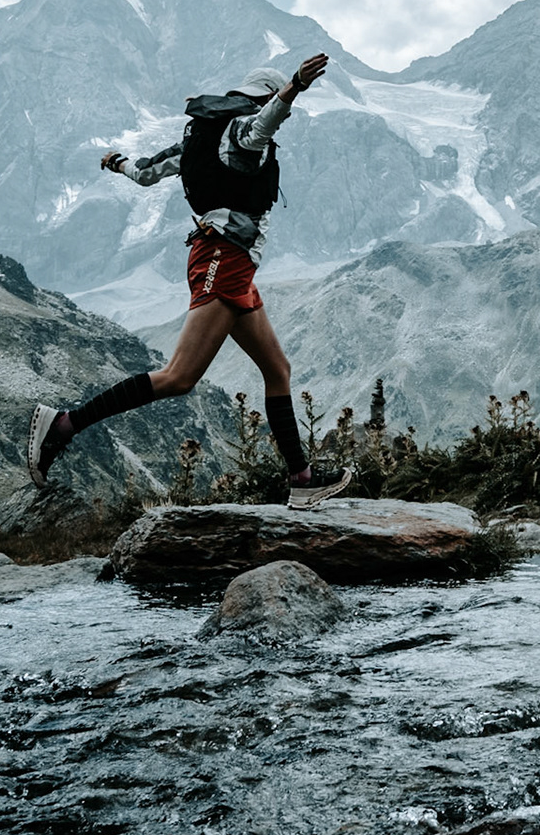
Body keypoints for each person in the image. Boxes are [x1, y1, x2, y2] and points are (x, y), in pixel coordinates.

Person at [26, 53, 352, 509]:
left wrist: (117, 162)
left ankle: (301, 479)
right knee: (179, 377)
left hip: (234, 263)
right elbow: (266, 123)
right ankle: (64, 425)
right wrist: (295, 86)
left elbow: (144, 174)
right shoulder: (244, 130)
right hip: (223, 258)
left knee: (277, 370)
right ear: (258, 99)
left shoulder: (197, 139)